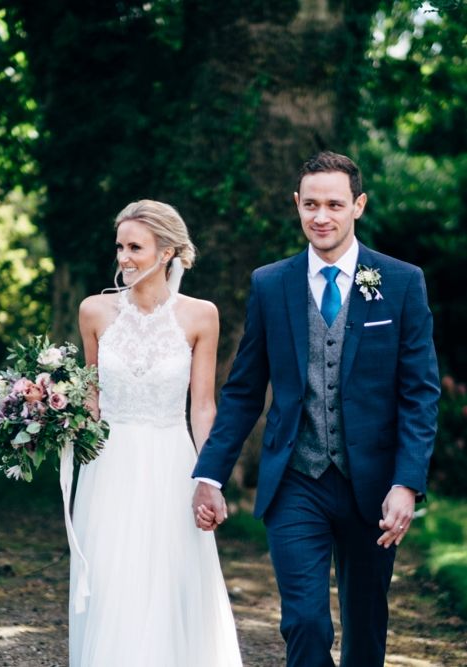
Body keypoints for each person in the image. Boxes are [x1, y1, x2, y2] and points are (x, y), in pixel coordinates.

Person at [192, 151, 440, 666]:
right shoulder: (270, 283)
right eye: (310, 204)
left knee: (366, 622)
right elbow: (243, 391)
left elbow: (419, 392)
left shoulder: (400, 282)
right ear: (297, 206)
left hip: (371, 485)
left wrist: (407, 482)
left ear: (358, 206)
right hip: (295, 480)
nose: (321, 216)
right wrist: (210, 475)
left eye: (333, 204)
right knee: (304, 621)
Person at [70, 200, 242, 666]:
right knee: (111, 582)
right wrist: (49, 416)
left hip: (171, 461)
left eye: (135, 247)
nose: (123, 257)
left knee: (168, 582)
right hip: (109, 463)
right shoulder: (95, 312)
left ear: (166, 253)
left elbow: (203, 407)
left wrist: (210, 480)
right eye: (120, 246)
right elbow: (92, 396)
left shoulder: (200, 315)